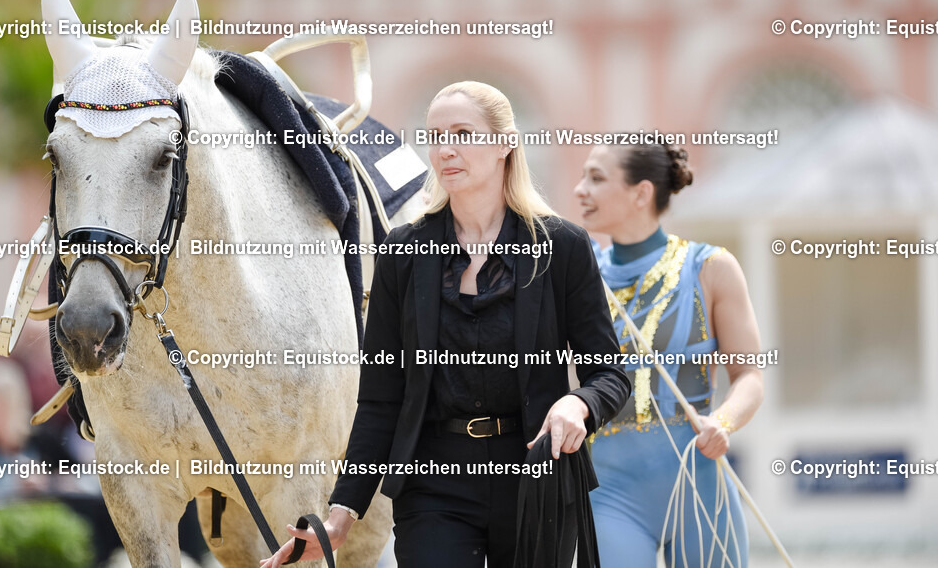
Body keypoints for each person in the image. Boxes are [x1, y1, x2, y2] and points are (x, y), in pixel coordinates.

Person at [263, 82, 630, 567]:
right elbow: (380, 400)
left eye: (463, 133)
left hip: (537, 479)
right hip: (432, 484)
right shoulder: (402, 253)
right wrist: (340, 516)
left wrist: (577, 404)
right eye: (435, 135)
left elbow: (610, 373)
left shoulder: (562, 247)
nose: (446, 149)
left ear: (504, 144)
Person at [574, 143, 764, 567]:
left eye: (596, 178)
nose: (579, 189)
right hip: (610, 492)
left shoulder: (711, 267)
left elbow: (750, 375)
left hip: (700, 484)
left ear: (641, 193)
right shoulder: (580, 277)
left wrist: (724, 421)